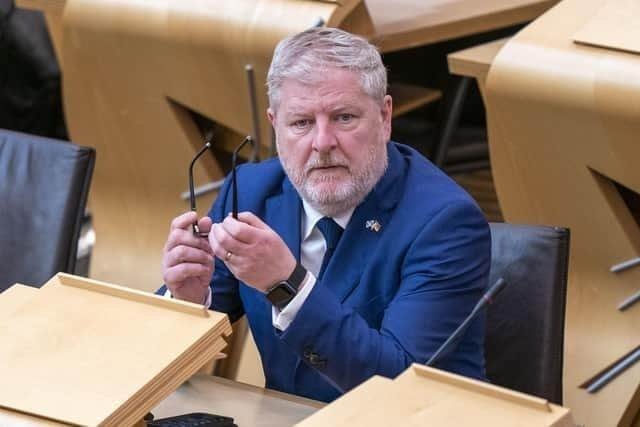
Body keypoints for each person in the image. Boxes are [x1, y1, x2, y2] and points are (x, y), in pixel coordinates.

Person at [159, 27, 491, 403]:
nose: (322, 143)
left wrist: (288, 285)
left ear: (385, 118)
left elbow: (400, 387)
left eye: (344, 118)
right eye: (301, 123)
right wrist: (186, 298)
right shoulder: (250, 192)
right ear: (275, 127)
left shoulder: (446, 223)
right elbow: (160, 360)